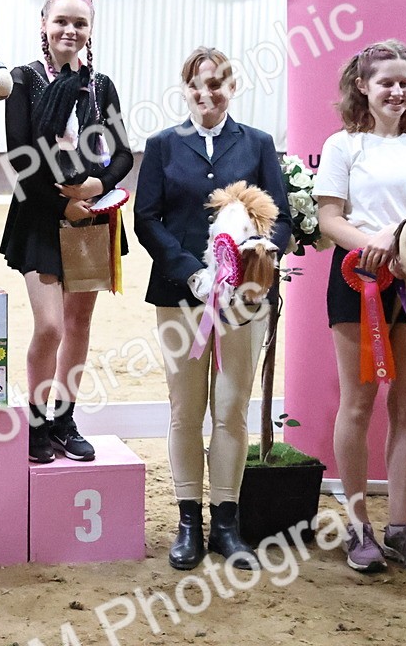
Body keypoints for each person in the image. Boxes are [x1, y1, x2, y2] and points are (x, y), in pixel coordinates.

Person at [135, 47, 292, 570]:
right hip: (182, 297)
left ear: (232, 87)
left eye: (219, 84)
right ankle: (187, 520)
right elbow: (147, 219)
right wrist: (193, 271)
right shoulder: (161, 146)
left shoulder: (259, 144)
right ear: (186, 87)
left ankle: (226, 520)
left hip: (244, 302)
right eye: (199, 83)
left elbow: (283, 217)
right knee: (186, 409)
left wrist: (263, 253)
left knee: (230, 408)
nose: (209, 93)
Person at [314, 39, 406, 577]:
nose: (397, 90)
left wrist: (402, 239)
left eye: (404, 82)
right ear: (362, 87)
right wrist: (371, 243)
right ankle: (358, 525)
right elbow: (330, 217)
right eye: (385, 82)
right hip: (359, 281)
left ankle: (399, 526)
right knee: (358, 402)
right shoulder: (344, 145)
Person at [0, 0, 133, 463]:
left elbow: (120, 151)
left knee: (78, 324)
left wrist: (97, 187)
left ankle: (64, 416)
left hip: (93, 218)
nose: (69, 31)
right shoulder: (22, 80)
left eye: (79, 23)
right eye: (61, 21)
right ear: (43, 24)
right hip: (40, 216)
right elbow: (20, 156)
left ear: (90, 30)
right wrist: (63, 207)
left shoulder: (102, 86)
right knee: (51, 326)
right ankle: (35, 419)